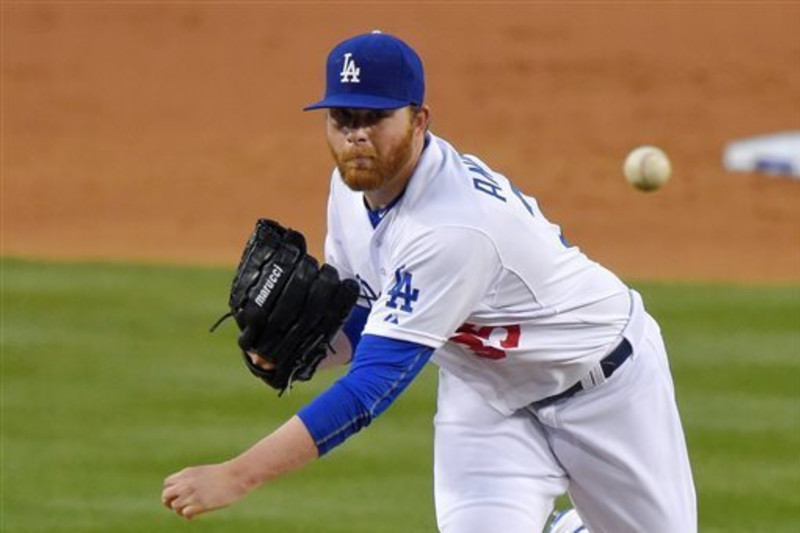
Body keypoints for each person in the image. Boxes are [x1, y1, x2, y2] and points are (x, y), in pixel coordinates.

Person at [162, 31, 697, 532]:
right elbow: (368, 307)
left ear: (419, 121)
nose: (356, 136)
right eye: (342, 117)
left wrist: (238, 474)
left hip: (604, 390)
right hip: (486, 399)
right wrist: (293, 353)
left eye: (375, 117)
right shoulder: (349, 189)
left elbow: (370, 388)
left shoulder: (452, 228)